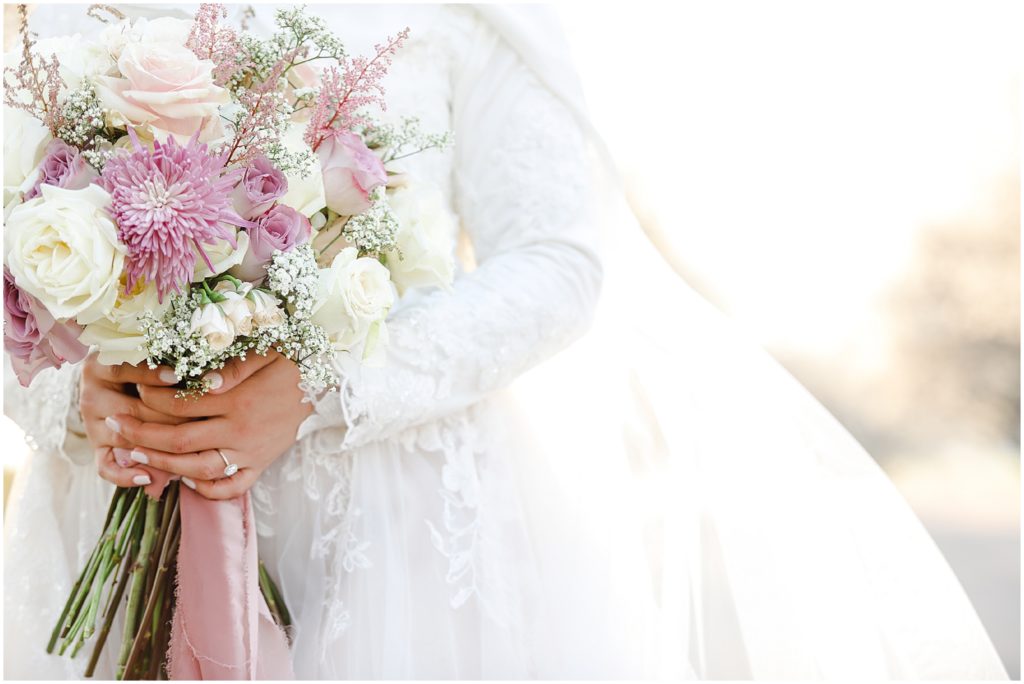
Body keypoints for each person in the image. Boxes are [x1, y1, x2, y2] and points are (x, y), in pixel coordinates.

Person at [3, 4, 1008, 680]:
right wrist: (71, 399)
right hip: (116, 508)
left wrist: (321, 385)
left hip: (397, 537)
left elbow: (558, 260)